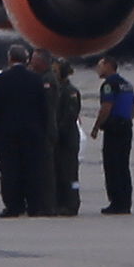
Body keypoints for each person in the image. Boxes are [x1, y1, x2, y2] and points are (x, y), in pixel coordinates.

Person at [0, 45, 49, 217]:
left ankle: (13, 206)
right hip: (32, 133)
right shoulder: (36, 80)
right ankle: (34, 205)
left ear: (10, 59)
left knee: (10, 171)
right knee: (32, 169)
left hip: (8, 133)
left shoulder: (1, 80)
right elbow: (43, 109)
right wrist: (41, 130)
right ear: (26, 60)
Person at [91, 56, 134, 215]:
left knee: (112, 165)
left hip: (114, 129)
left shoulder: (109, 85)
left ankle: (116, 202)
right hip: (126, 128)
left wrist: (96, 127)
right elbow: (132, 108)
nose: (98, 69)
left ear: (109, 66)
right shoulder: (127, 84)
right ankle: (125, 201)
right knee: (123, 165)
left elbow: (106, 107)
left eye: (100, 66)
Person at [29, 48, 59, 215]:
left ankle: (48, 205)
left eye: (34, 59)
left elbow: (48, 108)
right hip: (41, 129)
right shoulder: (39, 77)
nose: (31, 62)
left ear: (41, 61)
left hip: (46, 130)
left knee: (46, 170)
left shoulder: (47, 80)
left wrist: (46, 130)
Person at [53, 58, 82, 216]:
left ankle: (72, 203)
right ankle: (60, 202)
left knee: (69, 173)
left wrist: (57, 131)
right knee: (59, 172)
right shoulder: (57, 89)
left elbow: (70, 115)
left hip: (68, 139)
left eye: (56, 71)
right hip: (59, 138)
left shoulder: (70, 91)